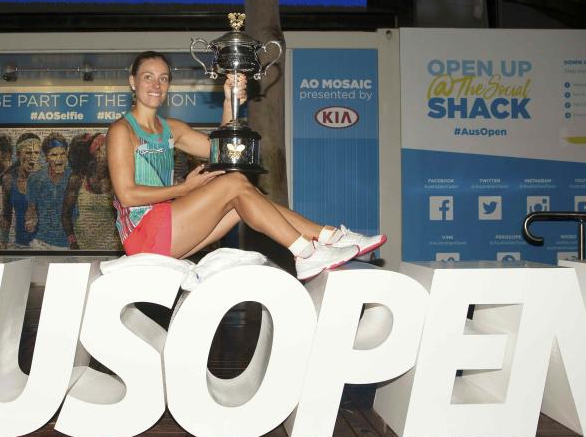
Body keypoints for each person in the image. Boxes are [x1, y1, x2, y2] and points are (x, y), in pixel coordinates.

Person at [107, 51, 386, 280]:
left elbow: (224, 153)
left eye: (163, 78)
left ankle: (326, 240)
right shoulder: (122, 131)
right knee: (234, 183)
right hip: (143, 234)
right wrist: (184, 188)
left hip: (168, 229)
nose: (156, 85)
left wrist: (231, 100)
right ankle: (310, 249)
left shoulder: (172, 129)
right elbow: (127, 195)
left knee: (244, 197)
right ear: (133, 82)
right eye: (148, 77)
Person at [62, 133, 121, 250]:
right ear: (97, 152)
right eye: (108, 146)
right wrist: (73, 242)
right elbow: (66, 215)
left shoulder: (117, 178)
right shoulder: (78, 179)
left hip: (113, 248)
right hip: (83, 246)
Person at [26, 132, 73, 249]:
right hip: (42, 242)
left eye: (63, 154)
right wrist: (30, 220)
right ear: (46, 157)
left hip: (68, 243)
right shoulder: (35, 178)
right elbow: (31, 209)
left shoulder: (74, 177)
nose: (59, 158)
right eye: (54, 155)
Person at [1, 132, 42, 247]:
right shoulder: (9, 179)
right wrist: (4, 243)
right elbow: (6, 214)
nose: (33, 157)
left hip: (44, 244)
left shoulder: (46, 177)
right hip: (21, 243)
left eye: (36, 153)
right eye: (28, 152)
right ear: (19, 155)